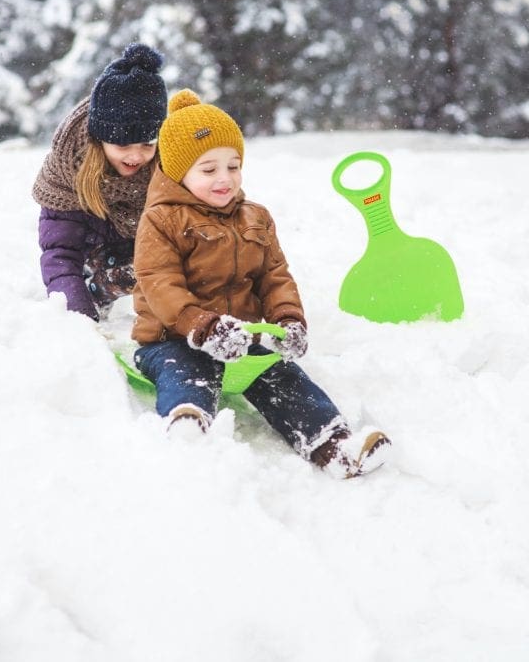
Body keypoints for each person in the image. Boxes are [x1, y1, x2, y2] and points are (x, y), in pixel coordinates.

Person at [131, 89, 392, 479]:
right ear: (177, 173)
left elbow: (275, 276)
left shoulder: (256, 217)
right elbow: (159, 283)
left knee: (284, 379)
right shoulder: (161, 220)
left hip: (244, 337)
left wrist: (288, 320)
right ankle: (187, 424)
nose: (225, 178)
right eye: (208, 169)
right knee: (186, 370)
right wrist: (201, 326)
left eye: (233, 166)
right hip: (173, 337)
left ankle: (335, 447)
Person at [32, 43, 167, 320]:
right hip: (91, 259)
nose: (135, 155)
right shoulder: (69, 173)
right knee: (134, 270)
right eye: (122, 144)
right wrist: (81, 318)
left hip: (145, 248)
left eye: (147, 143)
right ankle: (98, 288)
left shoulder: (167, 166)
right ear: (99, 139)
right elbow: (61, 255)